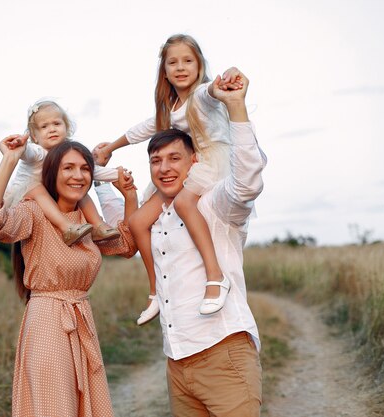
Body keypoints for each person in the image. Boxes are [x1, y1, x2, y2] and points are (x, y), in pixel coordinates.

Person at [96, 70, 266, 416]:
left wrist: (236, 107)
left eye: (174, 158)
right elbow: (122, 233)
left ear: (195, 161)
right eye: (156, 161)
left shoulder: (214, 205)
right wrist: (104, 184)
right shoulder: (155, 215)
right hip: (176, 364)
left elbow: (246, 184)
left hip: (224, 354)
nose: (164, 168)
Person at [0, 139, 138, 417]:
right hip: (48, 321)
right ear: (51, 173)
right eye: (68, 168)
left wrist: (130, 196)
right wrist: (10, 160)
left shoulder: (88, 217)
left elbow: (126, 246)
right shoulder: (34, 212)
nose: (78, 175)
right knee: (54, 407)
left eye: (85, 168)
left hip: (81, 316)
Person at [95, 34, 243, 324]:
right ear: (164, 71)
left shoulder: (202, 94)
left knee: (186, 203)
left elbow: (211, 91)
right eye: (172, 62)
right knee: (138, 221)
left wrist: (224, 81)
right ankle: (155, 290)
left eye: (188, 60)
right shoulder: (172, 107)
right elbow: (144, 128)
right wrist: (111, 147)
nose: (180, 67)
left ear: (199, 65)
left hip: (211, 161)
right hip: (186, 167)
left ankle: (215, 276)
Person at [3, 99, 125, 245]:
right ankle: (66, 228)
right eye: (44, 127)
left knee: (78, 187)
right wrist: (20, 146)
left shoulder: (68, 154)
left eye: (57, 123)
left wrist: (118, 175)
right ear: (34, 136)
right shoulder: (37, 151)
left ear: (66, 128)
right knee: (36, 187)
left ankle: (98, 227)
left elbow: (93, 171)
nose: (52, 129)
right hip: (22, 197)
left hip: (48, 196)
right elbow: (27, 153)